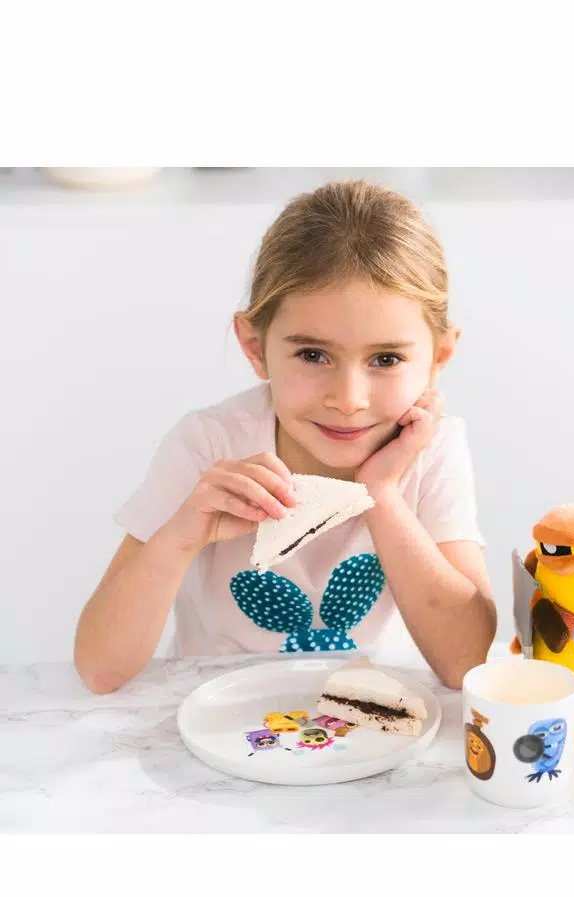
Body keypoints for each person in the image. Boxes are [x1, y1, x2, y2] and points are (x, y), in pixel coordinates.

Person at [75, 180, 497, 694]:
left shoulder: (433, 450)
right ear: (255, 347)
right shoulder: (210, 445)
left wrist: (382, 494)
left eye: (386, 359)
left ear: (439, 357)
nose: (349, 399)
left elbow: (466, 665)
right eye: (313, 355)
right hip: (221, 717)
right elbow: (100, 669)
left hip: (379, 716)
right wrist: (183, 534)